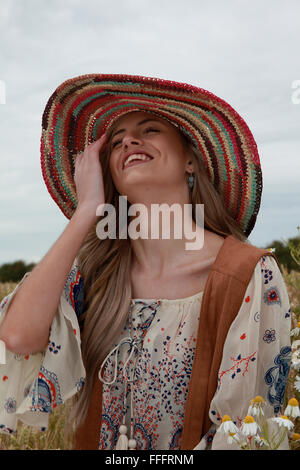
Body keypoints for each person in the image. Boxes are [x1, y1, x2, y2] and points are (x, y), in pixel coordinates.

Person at [0, 74, 291, 450]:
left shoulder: (247, 275)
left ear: (190, 159)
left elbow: (247, 431)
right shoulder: (95, 275)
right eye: (116, 142)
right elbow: (18, 336)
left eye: (149, 130)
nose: (129, 142)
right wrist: (87, 209)